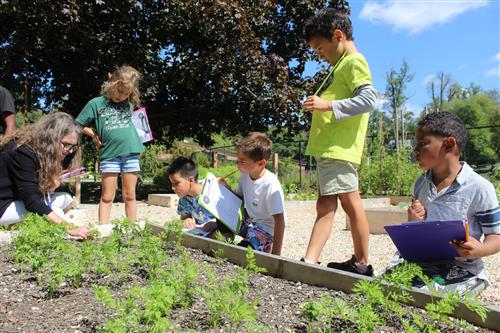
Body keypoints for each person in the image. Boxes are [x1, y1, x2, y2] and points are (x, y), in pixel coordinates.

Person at [300, 7, 377, 276]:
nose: (320, 55)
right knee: (328, 203)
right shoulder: (343, 65)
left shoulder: (354, 62)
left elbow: (369, 100)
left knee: (348, 202)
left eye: (321, 48)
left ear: (338, 35)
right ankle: (348, 260)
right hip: (331, 149)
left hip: (339, 149)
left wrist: (325, 105)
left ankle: (361, 263)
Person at [390, 112, 499, 294]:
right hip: (423, 264)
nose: (415, 150)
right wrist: (413, 220)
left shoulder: (479, 187)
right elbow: (418, 231)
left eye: (422, 143)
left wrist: (480, 249)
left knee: (428, 296)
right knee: (385, 288)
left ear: (448, 144)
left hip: (462, 270)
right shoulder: (420, 183)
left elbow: (496, 236)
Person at [0, 112, 88, 238]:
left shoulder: (40, 151)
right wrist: (68, 227)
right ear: (51, 138)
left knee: (67, 199)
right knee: (55, 212)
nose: (69, 151)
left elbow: (29, 191)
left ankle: (19, 225)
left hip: (16, 201)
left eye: (73, 146)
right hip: (3, 205)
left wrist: (49, 186)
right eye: (66, 144)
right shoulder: (23, 151)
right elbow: (31, 201)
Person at [76, 65, 145, 224]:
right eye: (119, 91)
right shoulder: (96, 103)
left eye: (126, 93)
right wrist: (95, 136)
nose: (122, 96)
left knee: (130, 195)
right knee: (107, 196)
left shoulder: (129, 105)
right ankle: (103, 229)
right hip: (109, 155)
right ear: (111, 84)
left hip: (131, 153)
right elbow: (78, 124)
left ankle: (131, 228)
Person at [228, 132, 285, 255]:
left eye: (242, 162)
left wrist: (276, 256)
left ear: (261, 163)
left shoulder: (270, 184)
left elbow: (279, 221)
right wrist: (225, 188)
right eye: (237, 160)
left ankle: (264, 245)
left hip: (266, 230)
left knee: (243, 251)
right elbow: (238, 199)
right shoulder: (244, 175)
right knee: (222, 218)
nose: (237, 164)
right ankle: (223, 239)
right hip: (250, 223)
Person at [167, 156, 234, 239]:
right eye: (172, 184)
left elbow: (232, 216)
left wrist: (216, 224)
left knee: (220, 237)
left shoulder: (212, 190)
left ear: (191, 180)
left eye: (176, 183)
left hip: (220, 230)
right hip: (200, 231)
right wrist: (187, 220)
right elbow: (184, 216)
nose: (173, 188)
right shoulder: (184, 197)